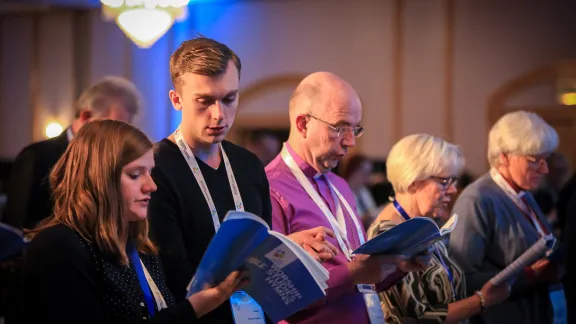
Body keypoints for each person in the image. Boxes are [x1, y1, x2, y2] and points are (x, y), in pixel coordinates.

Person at [147, 37, 338, 324]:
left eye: (229, 99)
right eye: (205, 101)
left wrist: (288, 245)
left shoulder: (248, 165)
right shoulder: (155, 168)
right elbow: (172, 274)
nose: (218, 115)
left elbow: (257, 251)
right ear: (176, 100)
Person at [22, 119, 249, 323]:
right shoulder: (58, 247)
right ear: (99, 179)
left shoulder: (140, 249)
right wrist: (194, 308)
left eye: (149, 172)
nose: (151, 186)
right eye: (135, 174)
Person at [266, 71, 429, 324]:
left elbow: (361, 276)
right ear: (303, 124)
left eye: (355, 129)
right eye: (340, 128)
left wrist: (397, 264)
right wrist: (352, 273)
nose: (351, 141)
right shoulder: (270, 188)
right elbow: (277, 292)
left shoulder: (340, 185)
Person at [367, 133, 510, 324]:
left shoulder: (421, 223)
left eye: (454, 181)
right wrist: (481, 301)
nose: (452, 190)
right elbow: (415, 319)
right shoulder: (389, 235)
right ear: (413, 181)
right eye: (444, 182)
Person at [449, 110, 566, 324]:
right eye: (534, 160)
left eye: (546, 159)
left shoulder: (523, 193)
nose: (545, 169)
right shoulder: (477, 200)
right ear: (504, 157)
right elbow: (460, 281)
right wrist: (531, 276)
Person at [2, 76, 142, 230]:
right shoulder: (36, 157)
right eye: (113, 127)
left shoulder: (116, 162)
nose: (120, 138)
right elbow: (18, 227)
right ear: (86, 116)